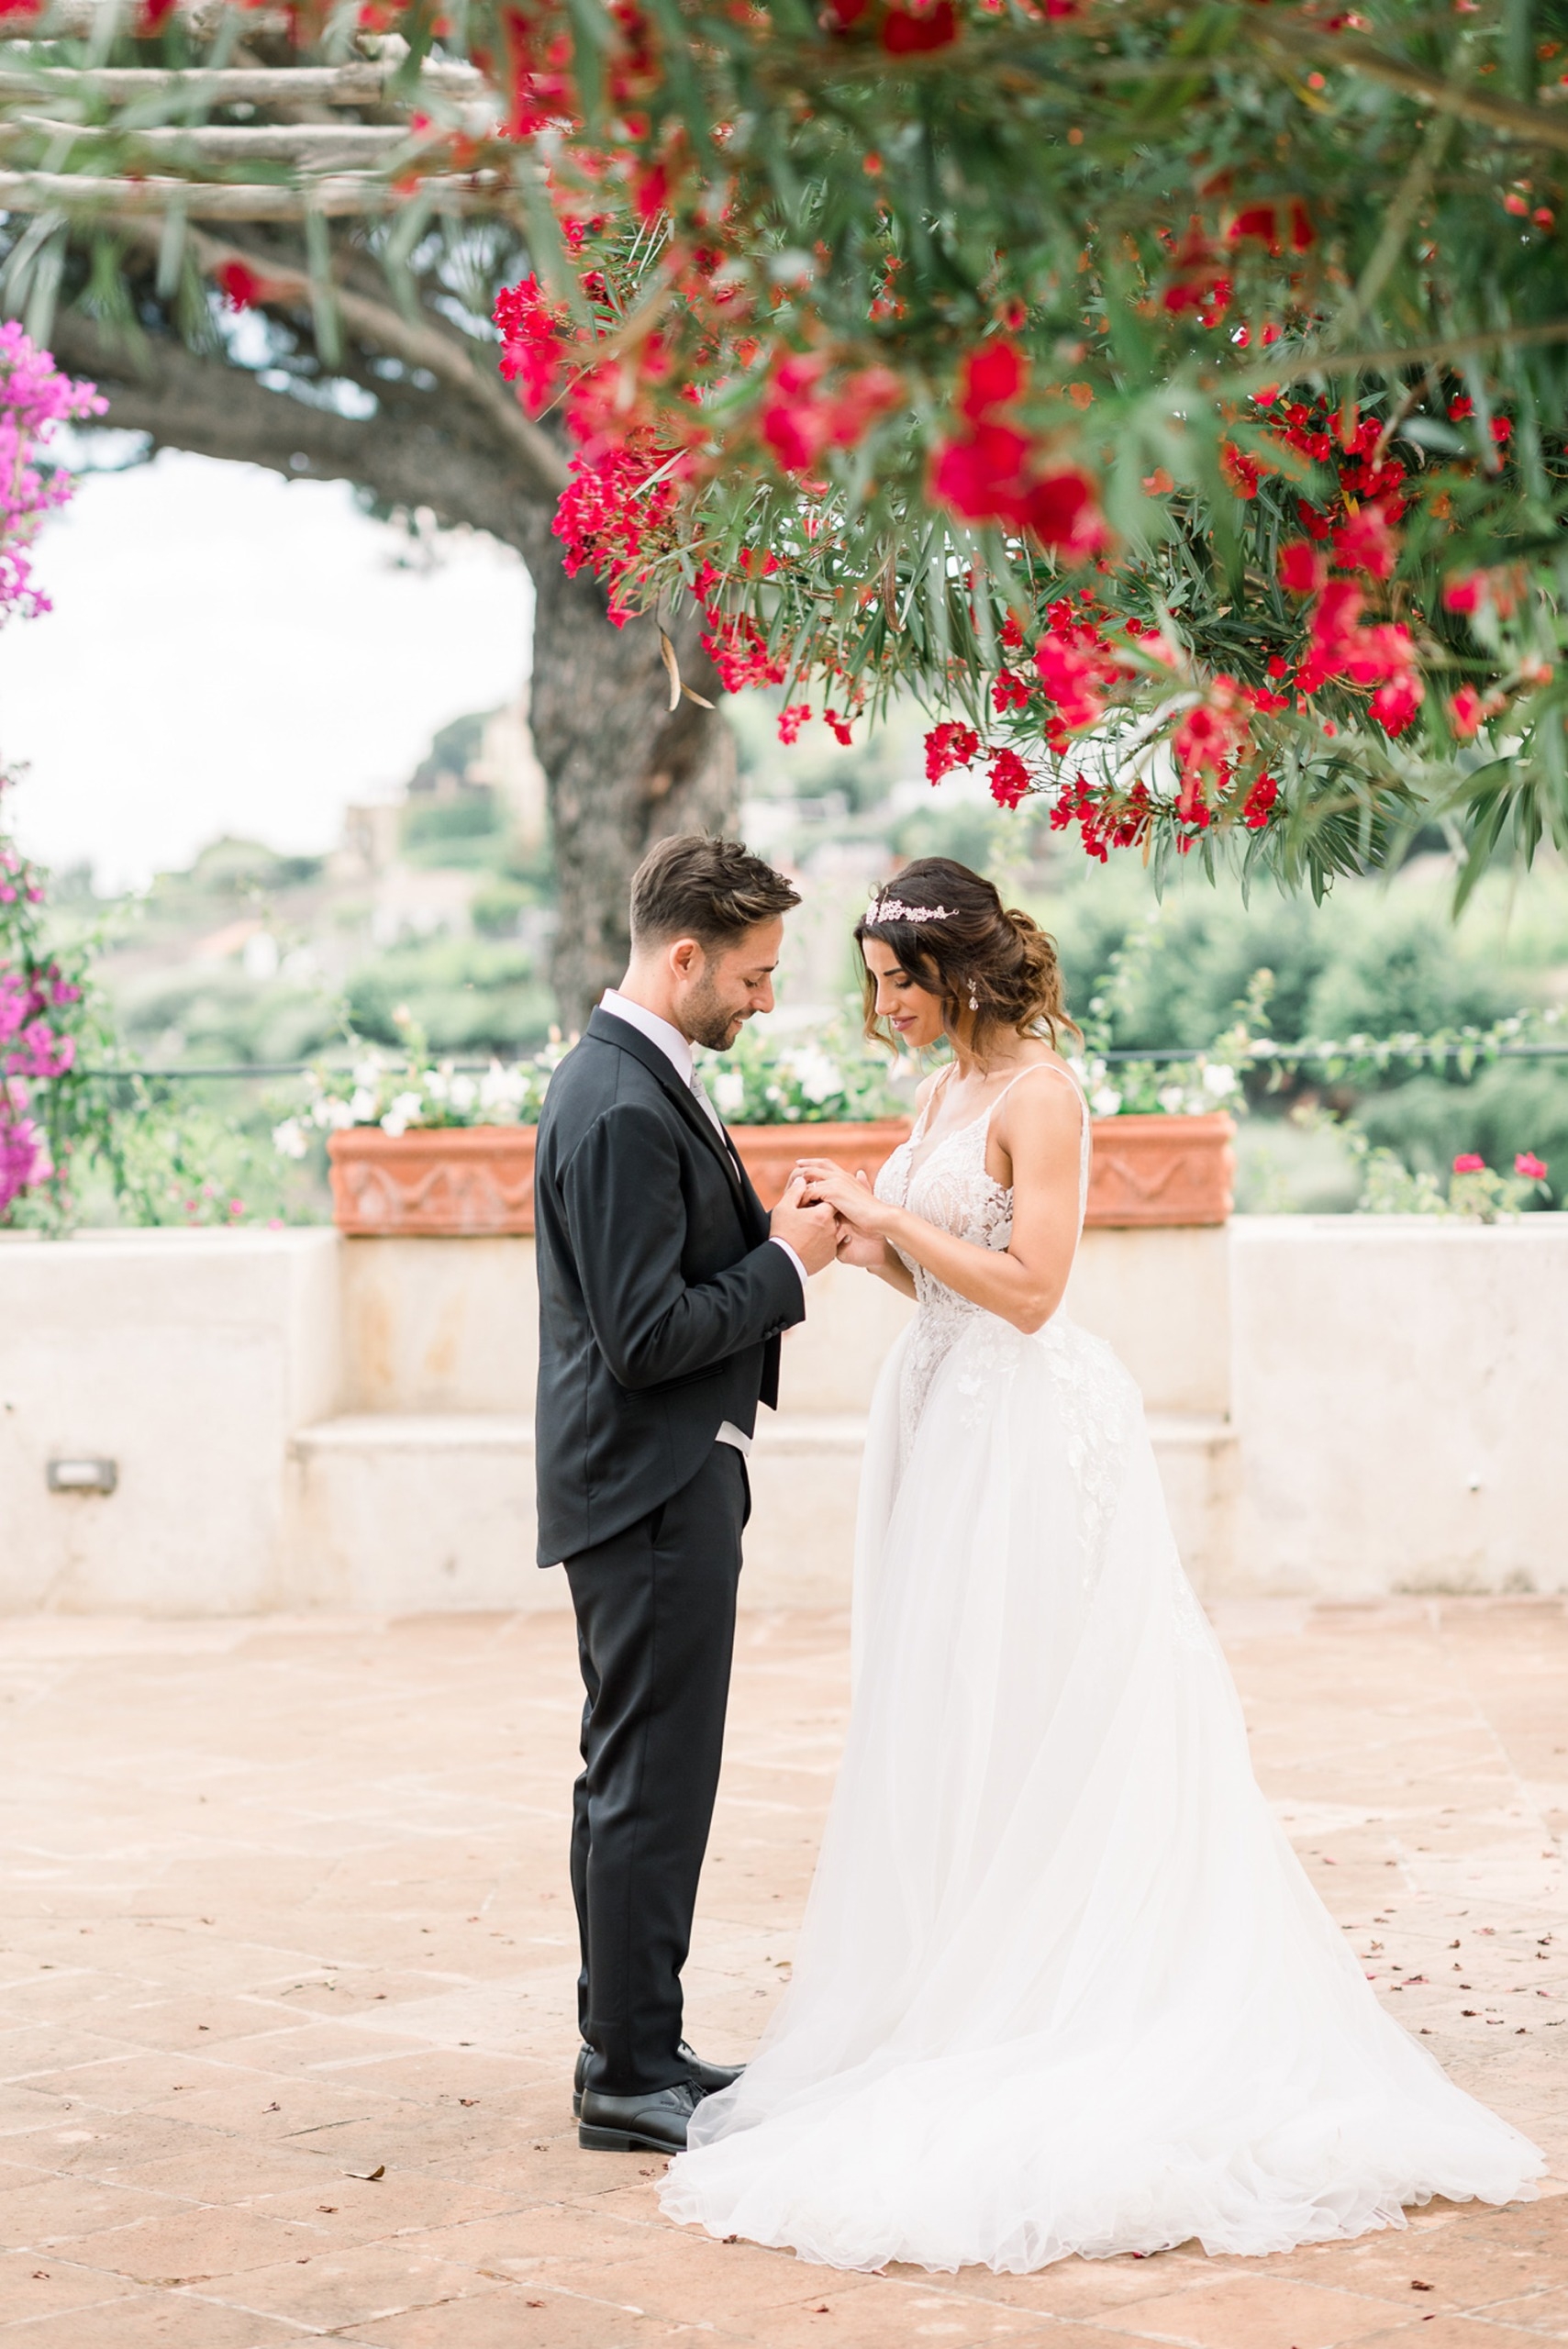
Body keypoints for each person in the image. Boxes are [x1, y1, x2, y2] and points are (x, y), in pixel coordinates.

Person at [659, 854, 1542, 2271]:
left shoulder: (1042, 1097)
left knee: (1042, 1696)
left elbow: (1030, 1291)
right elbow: (940, 1276)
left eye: (893, 986)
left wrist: (888, 1217)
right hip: (939, 1421)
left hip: (1026, 1428)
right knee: (951, 1704)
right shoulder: (941, 1093)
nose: (878, 1010)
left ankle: (1059, 1990)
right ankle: (963, 1969)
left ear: (947, 976)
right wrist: (853, 1231)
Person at [533, 833, 840, 2158]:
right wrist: (788, 1259)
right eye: (756, 975)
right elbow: (645, 1335)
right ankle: (625, 2067)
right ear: (683, 957)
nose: (765, 998)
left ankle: (640, 2041)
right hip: (645, 1486)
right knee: (648, 1778)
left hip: (663, 1477)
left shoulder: (643, 1076)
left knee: (647, 1770)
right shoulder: (613, 1102)